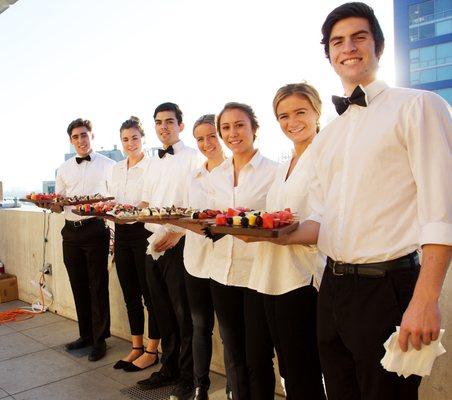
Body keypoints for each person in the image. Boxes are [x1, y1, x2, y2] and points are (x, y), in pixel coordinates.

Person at [277, 3, 451, 399]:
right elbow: (324, 219)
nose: (348, 47)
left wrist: (425, 300)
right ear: (329, 55)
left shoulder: (419, 106)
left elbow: (441, 212)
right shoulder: (329, 135)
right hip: (331, 290)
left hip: (388, 289)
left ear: (379, 46)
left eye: (359, 37)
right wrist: (275, 235)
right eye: (337, 42)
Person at [243, 83, 326, 399]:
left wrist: (273, 235)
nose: (292, 122)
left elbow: (327, 222)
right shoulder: (285, 164)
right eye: (283, 116)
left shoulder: (325, 157)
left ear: (317, 112)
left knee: (303, 370)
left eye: (300, 112)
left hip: (303, 279)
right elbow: (276, 215)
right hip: (270, 276)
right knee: (286, 370)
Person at [208, 102, 277, 399]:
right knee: (233, 351)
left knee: (258, 354)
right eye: (226, 127)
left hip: (257, 274)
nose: (232, 133)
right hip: (221, 272)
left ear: (254, 129)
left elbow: (280, 220)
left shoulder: (274, 171)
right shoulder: (216, 175)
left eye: (239, 125)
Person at [137, 102, 199, 400]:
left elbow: (198, 203)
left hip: (180, 243)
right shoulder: (151, 161)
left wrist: (176, 234)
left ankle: (188, 377)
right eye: (159, 122)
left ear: (180, 125)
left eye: (170, 121)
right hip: (153, 244)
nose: (164, 126)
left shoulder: (193, 158)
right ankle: (169, 367)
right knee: (161, 311)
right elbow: (146, 203)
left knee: (183, 315)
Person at [55, 118, 115, 361]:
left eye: (84, 135)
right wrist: (51, 204)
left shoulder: (109, 165)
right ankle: (85, 335)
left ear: (92, 136)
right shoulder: (64, 168)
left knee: (97, 285)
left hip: (95, 229)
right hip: (70, 231)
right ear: (71, 141)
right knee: (78, 284)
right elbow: (58, 203)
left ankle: (100, 340)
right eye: (76, 137)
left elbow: (115, 200)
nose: (81, 140)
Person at [109, 116, 160, 372]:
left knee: (150, 295)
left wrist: (129, 211)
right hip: (121, 233)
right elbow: (111, 201)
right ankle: (136, 346)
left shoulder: (152, 167)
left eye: (135, 138)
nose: (130, 143)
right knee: (130, 294)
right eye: (125, 139)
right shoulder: (116, 169)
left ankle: (152, 350)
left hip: (143, 232)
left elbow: (149, 201)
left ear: (143, 139)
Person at [183, 114, 226, 399]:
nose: (206, 143)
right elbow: (186, 215)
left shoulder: (236, 173)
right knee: (200, 327)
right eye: (200, 139)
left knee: (229, 332)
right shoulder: (194, 177)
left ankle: (234, 387)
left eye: (212, 136)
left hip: (227, 263)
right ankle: (201, 387)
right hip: (196, 261)